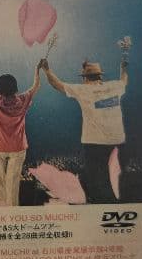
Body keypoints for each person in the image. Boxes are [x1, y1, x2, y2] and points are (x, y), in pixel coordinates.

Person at [41, 55, 129, 203]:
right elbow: (124, 80)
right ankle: (117, 202)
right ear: (100, 76)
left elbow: (57, 84)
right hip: (117, 141)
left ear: (85, 78)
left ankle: (100, 204)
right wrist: (123, 68)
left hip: (95, 142)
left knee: (96, 176)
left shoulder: (83, 90)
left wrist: (47, 70)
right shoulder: (115, 86)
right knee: (116, 175)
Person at [0, 61, 44, 205]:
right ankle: (12, 212)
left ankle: (0, 212)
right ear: (15, 88)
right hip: (17, 148)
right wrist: (37, 69)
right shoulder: (23, 100)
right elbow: (36, 86)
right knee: (13, 185)